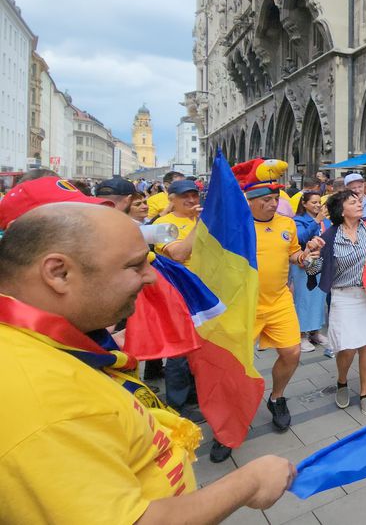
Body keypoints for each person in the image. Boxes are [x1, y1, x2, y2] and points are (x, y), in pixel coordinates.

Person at [0, 201, 294, 522]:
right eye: (135, 265)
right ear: (58, 273)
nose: (151, 277)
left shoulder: (37, 345)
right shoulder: (44, 405)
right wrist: (249, 483)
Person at [211, 166, 324, 463]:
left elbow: (293, 255)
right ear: (249, 201)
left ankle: (277, 398)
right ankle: (227, 425)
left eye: (275, 198)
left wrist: (306, 254)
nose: (273, 203)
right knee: (234, 367)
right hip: (242, 306)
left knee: (292, 352)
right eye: (265, 199)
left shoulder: (287, 224)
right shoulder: (235, 225)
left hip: (278, 302)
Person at [305, 191, 366, 414]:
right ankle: (342, 381)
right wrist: (310, 256)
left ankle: (365, 392)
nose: (359, 204)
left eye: (359, 201)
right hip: (343, 296)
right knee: (346, 348)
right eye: (353, 202)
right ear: (341, 209)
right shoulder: (329, 237)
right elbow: (314, 270)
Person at [152, 179, 205, 419]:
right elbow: (179, 253)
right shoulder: (162, 224)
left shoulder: (201, 219)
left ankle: (195, 397)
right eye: (186, 196)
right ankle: (177, 405)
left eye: (195, 195)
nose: (192, 200)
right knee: (180, 353)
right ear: (171, 199)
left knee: (200, 350)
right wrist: (200, 225)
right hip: (179, 294)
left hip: (205, 295)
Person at [292, 191, 330, 353]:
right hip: (303, 264)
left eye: (318, 202)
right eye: (313, 202)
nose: (317, 205)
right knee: (303, 299)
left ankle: (315, 332)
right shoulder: (298, 220)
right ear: (304, 203)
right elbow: (301, 237)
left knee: (319, 299)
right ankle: (301, 335)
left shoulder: (326, 220)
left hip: (321, 263)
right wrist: (316, 221)